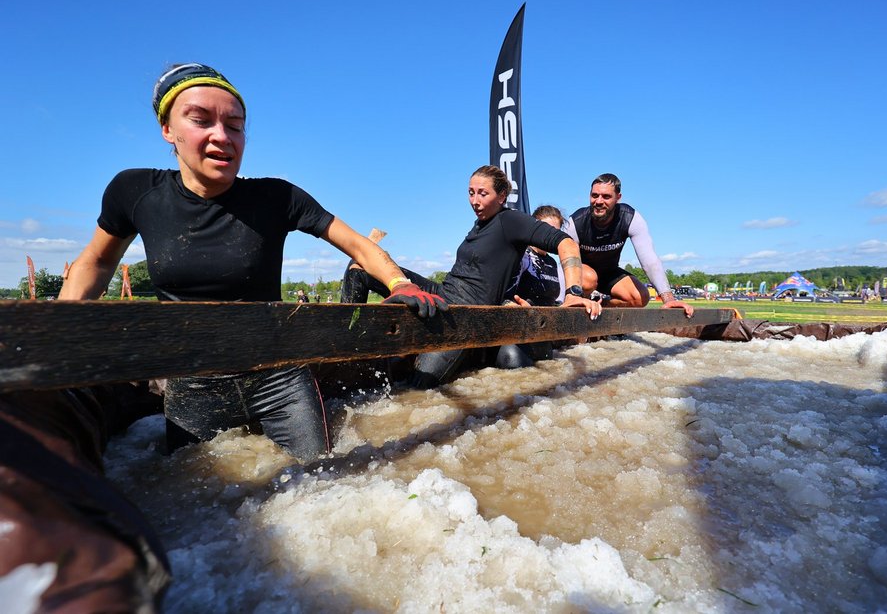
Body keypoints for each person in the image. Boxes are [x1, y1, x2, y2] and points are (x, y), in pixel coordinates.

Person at [59, 63, 445, 462]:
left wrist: (400, 284)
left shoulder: (277, 197)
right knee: (191, 496)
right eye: (200, 120)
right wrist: (58, 329)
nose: (222, 137)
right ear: (168, 130)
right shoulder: (134, 191)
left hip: (278, 376)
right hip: (194, 382)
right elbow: (98, 262)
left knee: (321, 479)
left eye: (235, 125)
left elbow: (357, 245)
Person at [341, 165, 602, 388]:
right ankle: (344, 354)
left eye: (483, 193)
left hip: (465, 316)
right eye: (471, 192)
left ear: (502, 196)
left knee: (420, 386)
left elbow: (566, 243)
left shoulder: (510, 221)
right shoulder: (480, 223)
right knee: (361, 266)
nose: (475, 201)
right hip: (441, 293)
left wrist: (574, 293)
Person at [564, 173, 693, 317]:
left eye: (606, 197)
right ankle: (582, 314)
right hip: (582, 275)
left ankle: (601, 305)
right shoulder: (575, 222)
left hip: (609, 273)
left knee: (641, 297)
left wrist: (668, 299)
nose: (599, 201)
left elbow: (649, 260)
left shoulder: (630, 217)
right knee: (589, 278)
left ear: (618, 198)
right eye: (594, 196)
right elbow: (569, 263)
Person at [495, 205, 566, 369]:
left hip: (542, 336)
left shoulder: (552, 262)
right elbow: (502, 294)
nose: (550, 236)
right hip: (518, 338)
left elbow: (557, 300)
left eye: (555, 232)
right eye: (546, 230)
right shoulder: (522, 256)